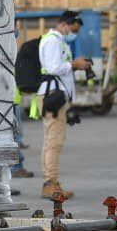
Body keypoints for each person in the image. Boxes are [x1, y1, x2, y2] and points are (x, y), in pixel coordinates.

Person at [35, 11, 89, 201]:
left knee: (52, 139)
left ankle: (51, 182)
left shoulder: (58, 41)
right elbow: (53, 67)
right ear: (65, 24)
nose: (73, 33)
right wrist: (74, 64)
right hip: (53, 94)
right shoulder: (53, 41)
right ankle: (50, 183)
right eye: (73, 29)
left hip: (55, 93)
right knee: (54, 141)